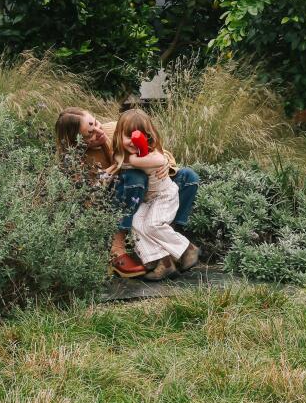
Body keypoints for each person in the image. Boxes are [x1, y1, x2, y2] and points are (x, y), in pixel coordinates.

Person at [57, 105, 200, 279]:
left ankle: (168, 244)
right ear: (76, 141)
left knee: (188, 176)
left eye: (95, 123)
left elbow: (157, 147)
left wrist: (164, 162)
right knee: (134, 178)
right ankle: (118, 249)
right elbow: (87, 199)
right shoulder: (76, 161)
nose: (99, 131)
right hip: (120, 200)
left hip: (155, 189)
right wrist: (106, 178)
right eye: (90, 134)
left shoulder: (118, 129)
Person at [112, 108, 197, 282]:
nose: (134, 142)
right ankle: (162, 262)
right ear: (119, 136)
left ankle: (187, 249)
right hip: (146, 200)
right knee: (136, 224)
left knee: (152, 225)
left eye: (142, 137)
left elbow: (159, 160)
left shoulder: (152, 153)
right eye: (129, 137)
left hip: (163, 196)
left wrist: (137, 157)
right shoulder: (120, 155)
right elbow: (115, 168)